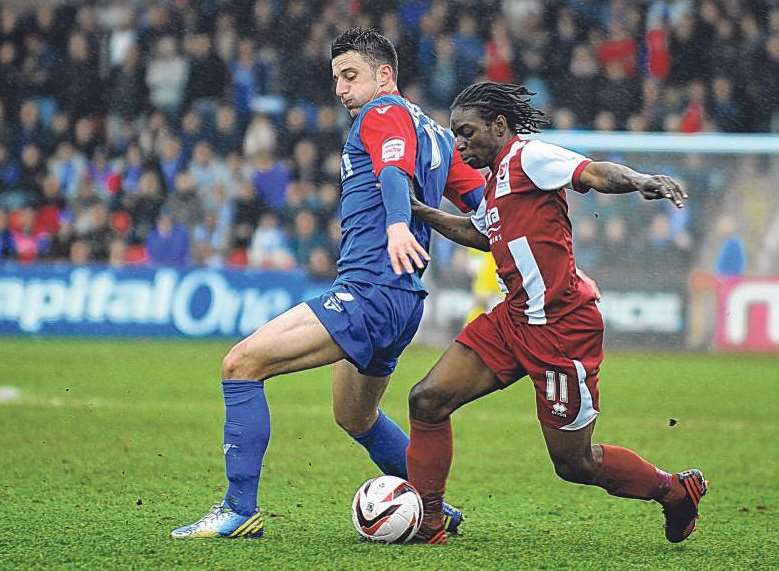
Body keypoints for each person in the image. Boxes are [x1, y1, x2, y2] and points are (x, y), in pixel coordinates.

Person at [171, 27, 485, 539]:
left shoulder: (383, 113)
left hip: (368, 292)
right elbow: (485, 210)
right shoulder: (438, 136)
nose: (340, 88)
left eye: (350, 75)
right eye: (336, 77)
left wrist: (398, 224)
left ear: (386, 75)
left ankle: (236, 509)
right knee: (355, 415)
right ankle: (431, 508)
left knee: (240, 365)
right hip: (403, 303)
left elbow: (391, 174)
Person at [404, 81, 706, 545]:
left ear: (498, 126)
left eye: (466, 132)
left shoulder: (529, 157)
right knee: (427, 399)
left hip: (562, 331)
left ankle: (674, 492)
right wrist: (419, 210)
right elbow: (479, 233)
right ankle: (428, 521)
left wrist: (642, 180)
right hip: (514, 320)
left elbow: (593, 172)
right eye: (455, 135)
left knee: (574, 464)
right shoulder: (494, 181)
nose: (459, 143)